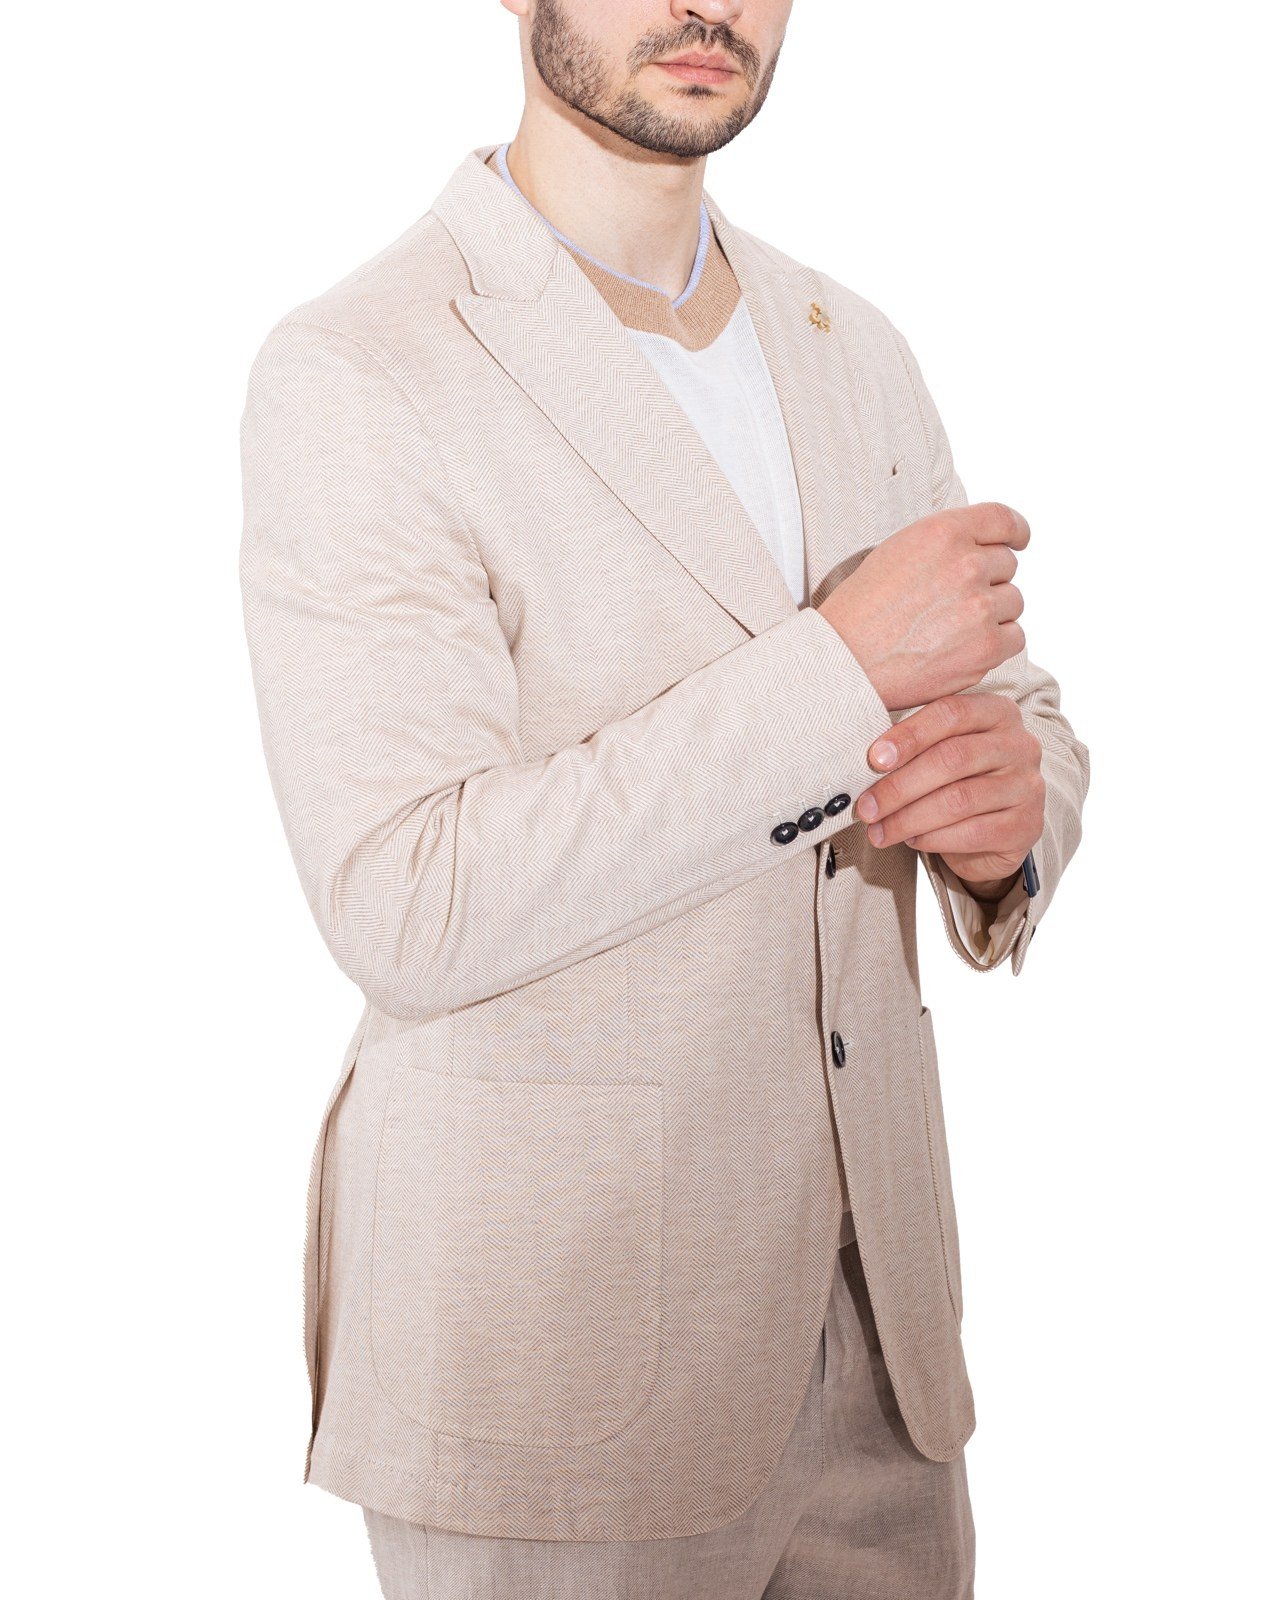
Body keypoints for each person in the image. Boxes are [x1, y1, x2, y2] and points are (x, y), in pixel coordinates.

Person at [238, 1, 1090, 1595]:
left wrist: (1012, 821)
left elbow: (1010, 698)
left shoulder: (854, 343)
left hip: (885, 1348)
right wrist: (839, 678)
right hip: (558, 1360)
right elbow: (408, 899)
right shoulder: (361, 366)